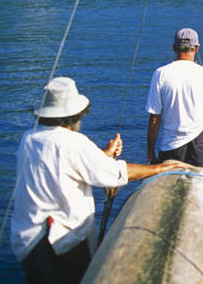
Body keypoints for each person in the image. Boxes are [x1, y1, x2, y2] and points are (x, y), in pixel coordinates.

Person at [11, 77, 184, 284]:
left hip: (28, 242)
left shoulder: (28, 138)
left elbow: (62, 168)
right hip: (60, 243)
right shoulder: (72, 142)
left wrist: (104, 154)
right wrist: (158, 168)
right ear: (75, 115)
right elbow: (113, 174)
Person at [146, 28, 203, 167]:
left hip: (171, 147)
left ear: (174, 48)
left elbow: (154, 119)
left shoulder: (160, 74)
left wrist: (150, 153)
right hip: (201, 146)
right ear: (196, 49)